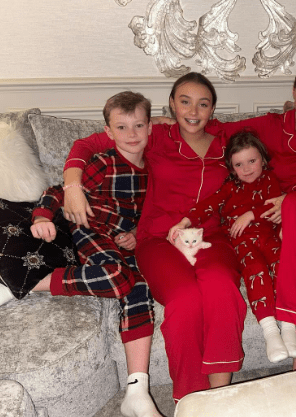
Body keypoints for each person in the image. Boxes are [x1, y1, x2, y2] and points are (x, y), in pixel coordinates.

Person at [62, 61, 296, 372]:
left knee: (295, 203)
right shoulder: (259, 127)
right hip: (290, 235)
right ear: (293, 91)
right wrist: (72, 183)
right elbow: (97, 141)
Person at [62, 73, 247, 402]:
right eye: (185, 101)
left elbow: (279, 132)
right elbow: (87, 145)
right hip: (157, 237)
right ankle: (189, 400)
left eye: (203, 103)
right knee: (185, 299)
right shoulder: (155, 134)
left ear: (213, 108)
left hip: (210, 234)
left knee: (222, 287)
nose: (193, 110)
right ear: (172, 104)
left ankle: (220, 400)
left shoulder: (227, 138)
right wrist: (72, 186)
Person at [31, 91, 162, 417]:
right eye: (122, 127)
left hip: (124, 242)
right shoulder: (103, 162)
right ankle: (31, 281)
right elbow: (60, 191)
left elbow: (155, 214)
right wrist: (42, 216)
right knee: (117, 277)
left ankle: (137, 390)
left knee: (140, 287)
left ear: (150, 128)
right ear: (108, 132)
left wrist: (136, 234)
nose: (131, 135)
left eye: (138, 126)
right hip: (90, 231)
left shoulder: (154, 172)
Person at [168, 130, 296, 363]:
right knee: (256, 271)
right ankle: (270, 331)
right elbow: (207, 206)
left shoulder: (270, 180)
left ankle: (289, 329)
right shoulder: (229, 189)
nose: (247, 168)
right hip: (242, 243)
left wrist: (250, 214)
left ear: (262, 159)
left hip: (270, 236)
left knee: (283, 266)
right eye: (240, 164)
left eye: (252, 161)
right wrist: (184, 222)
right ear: (231, 168)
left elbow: (275, 203)